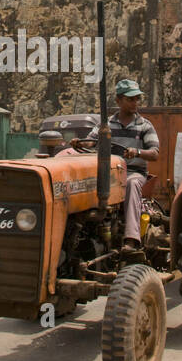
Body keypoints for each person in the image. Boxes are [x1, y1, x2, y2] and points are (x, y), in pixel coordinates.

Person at [72, 79, 159, 253]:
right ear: (118, 101)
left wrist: (137, 152)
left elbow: (154, 153)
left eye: (137, 99)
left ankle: (132, 238)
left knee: (132, 184)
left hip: (133, 172)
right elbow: (92, 142)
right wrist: (79, 143)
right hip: (109, 174)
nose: (135, 103)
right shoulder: (106, 126)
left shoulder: (144, 126)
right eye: (130, 99)